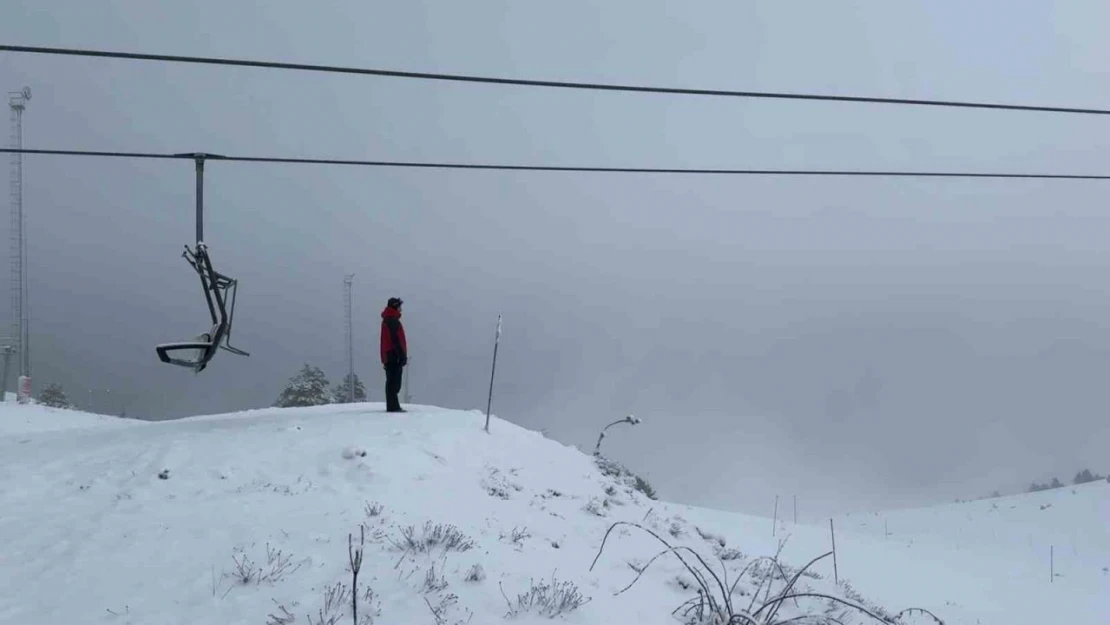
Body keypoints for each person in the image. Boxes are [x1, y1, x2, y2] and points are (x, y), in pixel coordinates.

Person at [380, 297, 408, 412]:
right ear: (395, 306)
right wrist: (401, 356)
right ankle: (393, 407)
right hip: (393, 355)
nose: (401, 309)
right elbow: (396, 340)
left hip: (389, 355)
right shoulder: (392, 320)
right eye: (399, 306)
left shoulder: (389, 319)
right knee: (394, 382)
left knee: (392, 381)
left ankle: (393, 405)